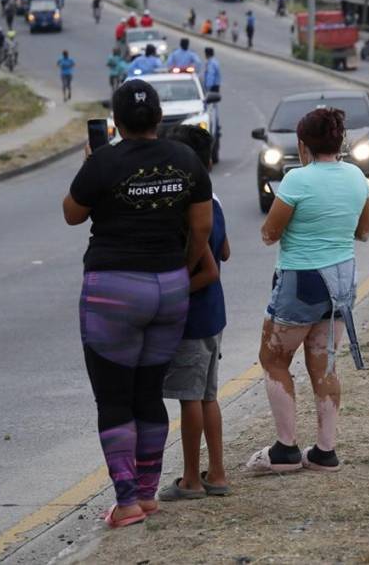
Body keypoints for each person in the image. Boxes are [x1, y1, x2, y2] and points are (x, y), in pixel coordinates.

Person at [62, 79, 213, 529]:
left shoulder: (104, 161)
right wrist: (181, 269)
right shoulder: (186, 159)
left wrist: (91, 164)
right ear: (159, 116)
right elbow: (202, 228)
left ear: (117, 121)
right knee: (149, 393)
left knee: (113, 398)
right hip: (168, 287)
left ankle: (126, 500)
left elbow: (72, 213)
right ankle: (147, 493)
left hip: (113, 290)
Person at [248, 107, 369, 474]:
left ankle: (285, 448)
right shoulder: (356, 177)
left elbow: (269, 234)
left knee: (274, 359)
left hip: (301, 280)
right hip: (341, 282)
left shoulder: (297, 181)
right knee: (325, 360)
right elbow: (363, 233)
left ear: (303, 144)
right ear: (340, 140)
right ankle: (325, 451)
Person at [157, 125, 231, 502]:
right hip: (214, 314)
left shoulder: (189, 209)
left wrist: (167, 292)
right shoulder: (213, 202)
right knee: (207, 396)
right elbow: (226, 252)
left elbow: (209, 270)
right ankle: (216, 472)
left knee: (189, 397)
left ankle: (190, 479)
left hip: (192, 316)